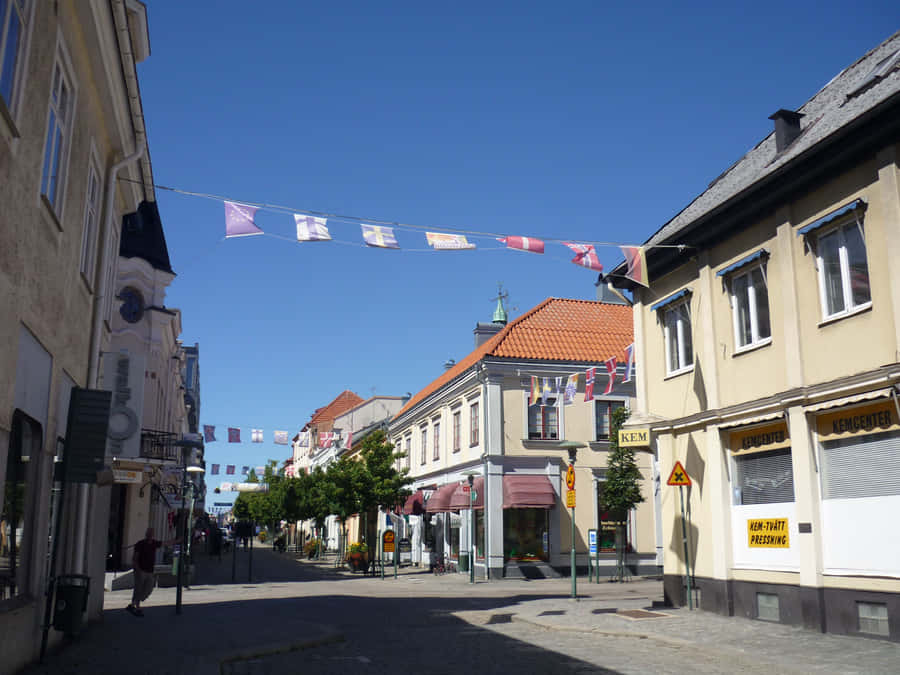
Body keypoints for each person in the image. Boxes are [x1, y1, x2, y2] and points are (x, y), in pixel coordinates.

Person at [127, 528, 167, 617]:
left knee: (148, 588)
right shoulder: (140, 544)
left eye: (152, 533)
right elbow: (135, 558)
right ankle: (137, 607)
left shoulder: (154, 543)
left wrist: (178, 541)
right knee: (138, 589)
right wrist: (137, 569)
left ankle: (133, 604)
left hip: (150, 571)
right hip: (140, 570)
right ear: (146, 534)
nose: (150, 535)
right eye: (149, 533)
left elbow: (165, 543)